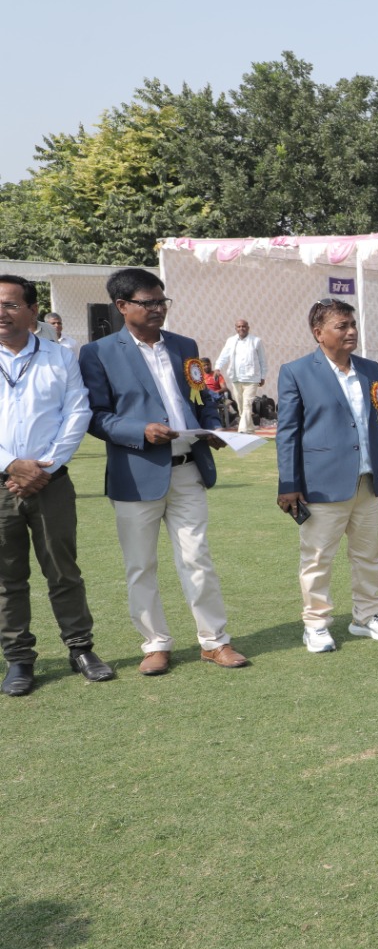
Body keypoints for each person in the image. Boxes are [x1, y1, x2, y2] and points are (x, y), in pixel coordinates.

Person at [78, 269, 249, 675]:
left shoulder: (184, 345)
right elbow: (96, 418)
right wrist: (141, 430)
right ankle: (155, 643)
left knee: (198, 559)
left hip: (188, 469)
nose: (158, 309)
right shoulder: (98, 353)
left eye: (162, 301)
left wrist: (212, 426)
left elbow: (200, 397)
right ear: (122, 307)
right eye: (148, 303)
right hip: (136, 474)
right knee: (141, 565)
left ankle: (214, 641)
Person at [275, 299, 378, 654]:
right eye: (341, 326)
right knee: (317, 558)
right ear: (318, 333)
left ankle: (367, 617)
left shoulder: (370, 369)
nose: (351, 332)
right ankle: (316, 625)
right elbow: (288, 433)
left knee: (367, 554)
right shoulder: (296, 371)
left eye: (352, 325)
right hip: (320, 484)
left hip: (365, 482)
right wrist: (289, 484)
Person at [0, 275, 108, 697]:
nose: (1, 313)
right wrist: (12, 464)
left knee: (63, 571)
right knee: (8, 579)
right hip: (3, 484)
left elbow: (76, 412)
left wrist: (44, 467)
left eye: (10, 305)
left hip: (51, 482)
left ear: (31, 311)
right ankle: (19, 659)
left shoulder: (60, 357)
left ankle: (81, 649)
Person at [216, 317, 267, 434]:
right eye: (239, 326)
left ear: (248, 328)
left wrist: (263, 376)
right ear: (236, 328)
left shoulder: (256, 341)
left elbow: (262, 361)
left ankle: (242, 429)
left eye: (243, 326)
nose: (241, 328)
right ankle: (250, 427)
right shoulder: (230, 341)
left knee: (247, 403)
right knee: (240, 405)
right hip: (236, 378)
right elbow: (224, 355)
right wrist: (218, 367)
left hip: (252, 378)